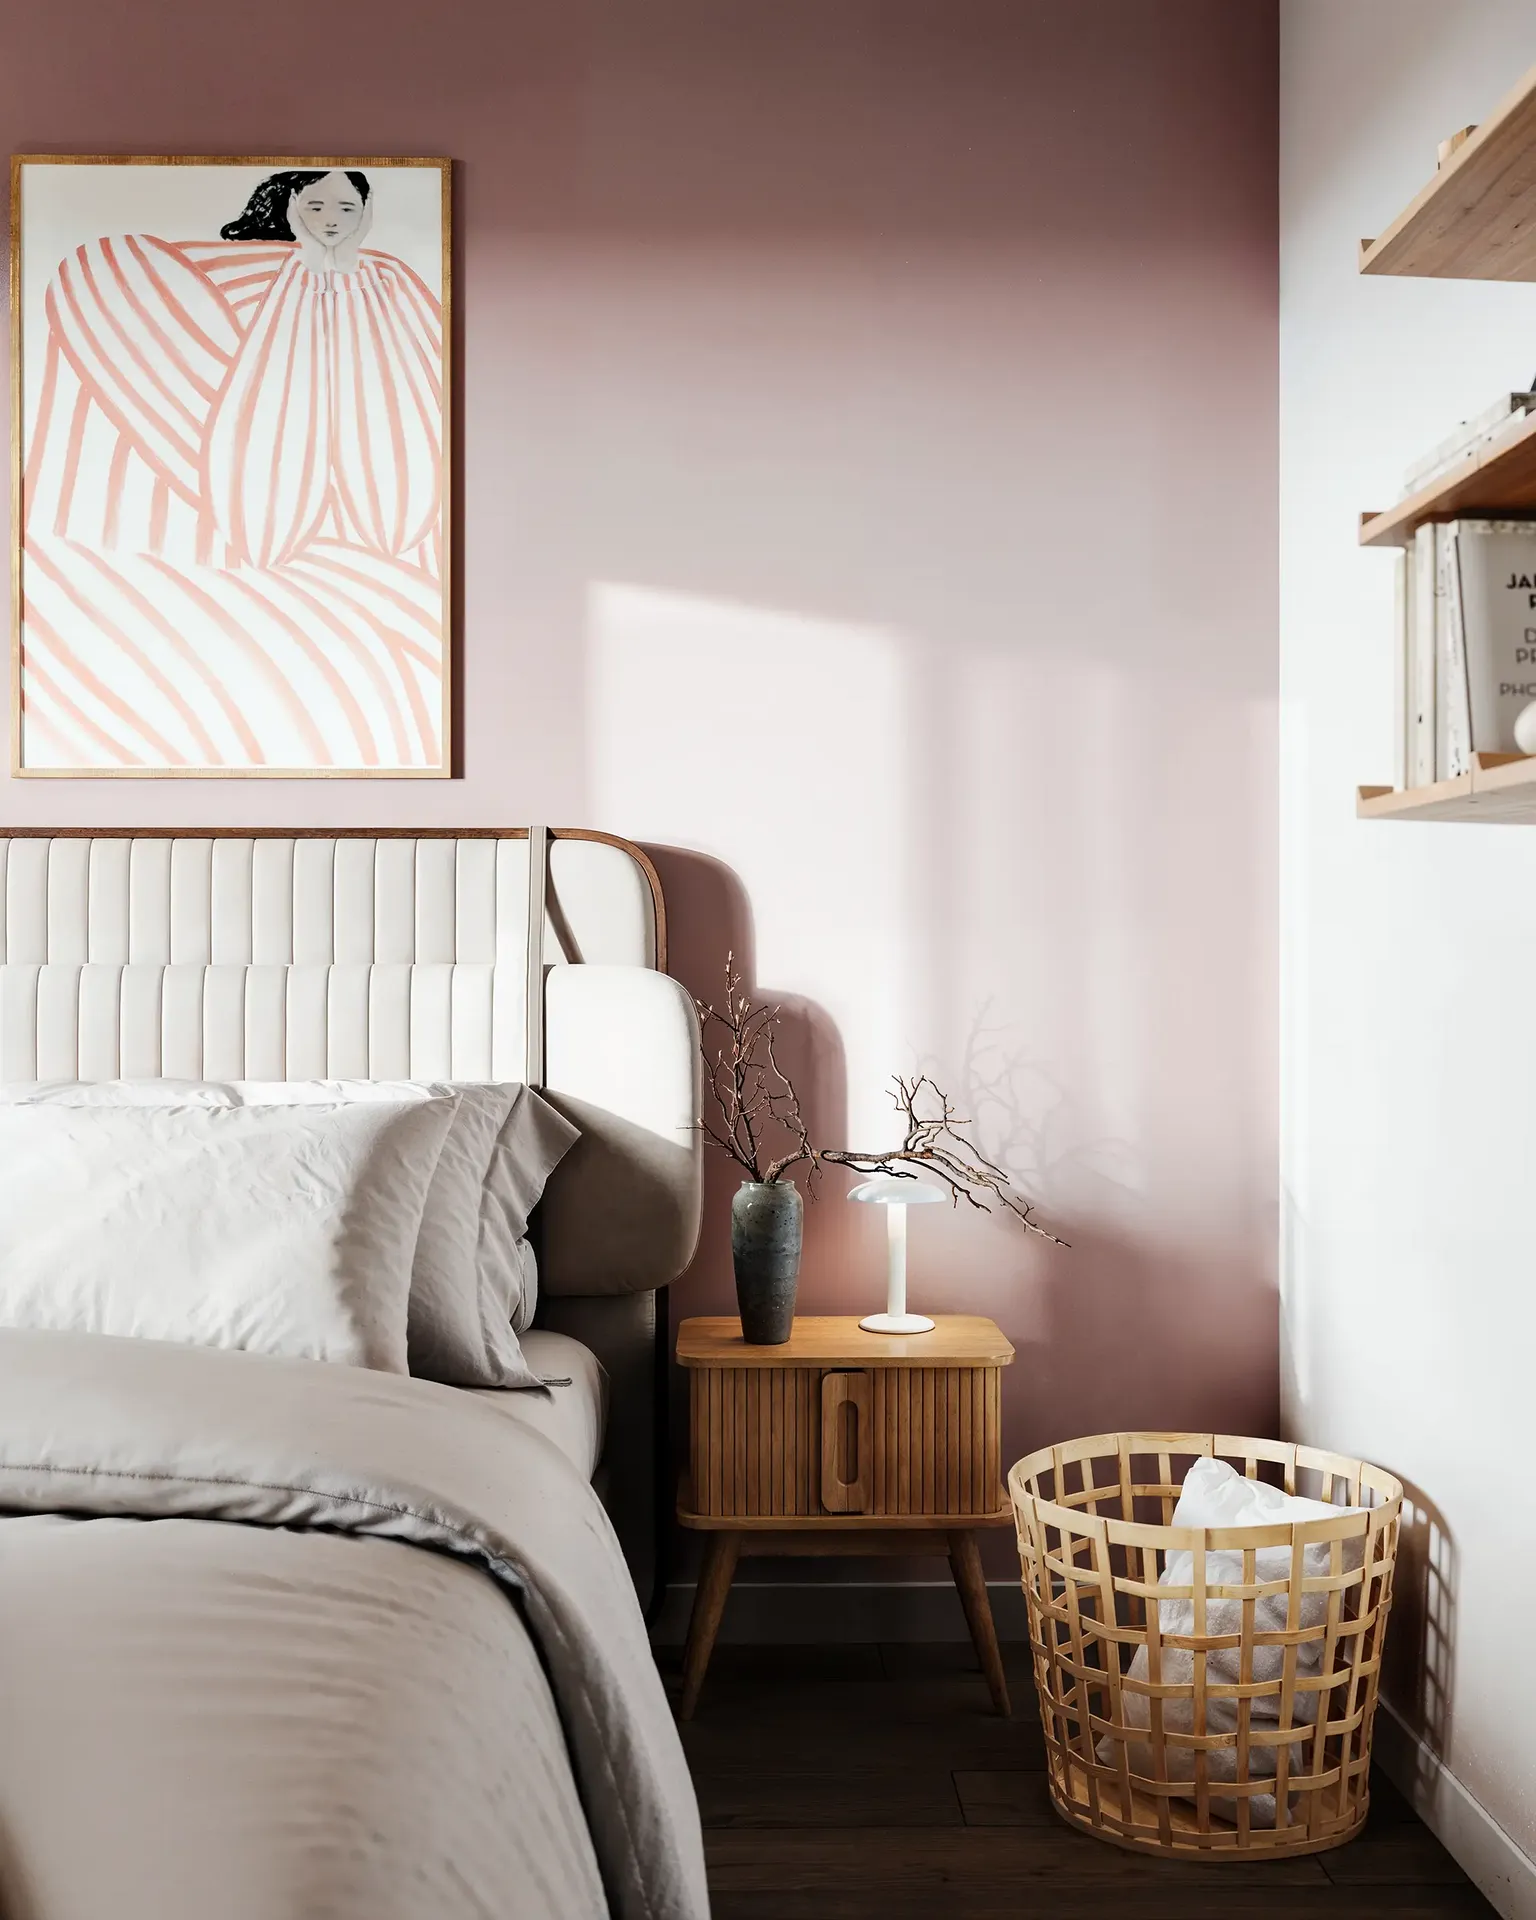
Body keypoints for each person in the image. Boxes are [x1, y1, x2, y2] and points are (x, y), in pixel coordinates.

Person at [20, 168, 444, 771]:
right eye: (316, 205)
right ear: (287, 203)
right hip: (183, 591)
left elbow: (396, 499)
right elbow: (260, 509)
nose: (332, 220)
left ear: (367, 213)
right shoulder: (125, 271)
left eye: (349, 209)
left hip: (325, 607)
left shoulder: (387, 286)